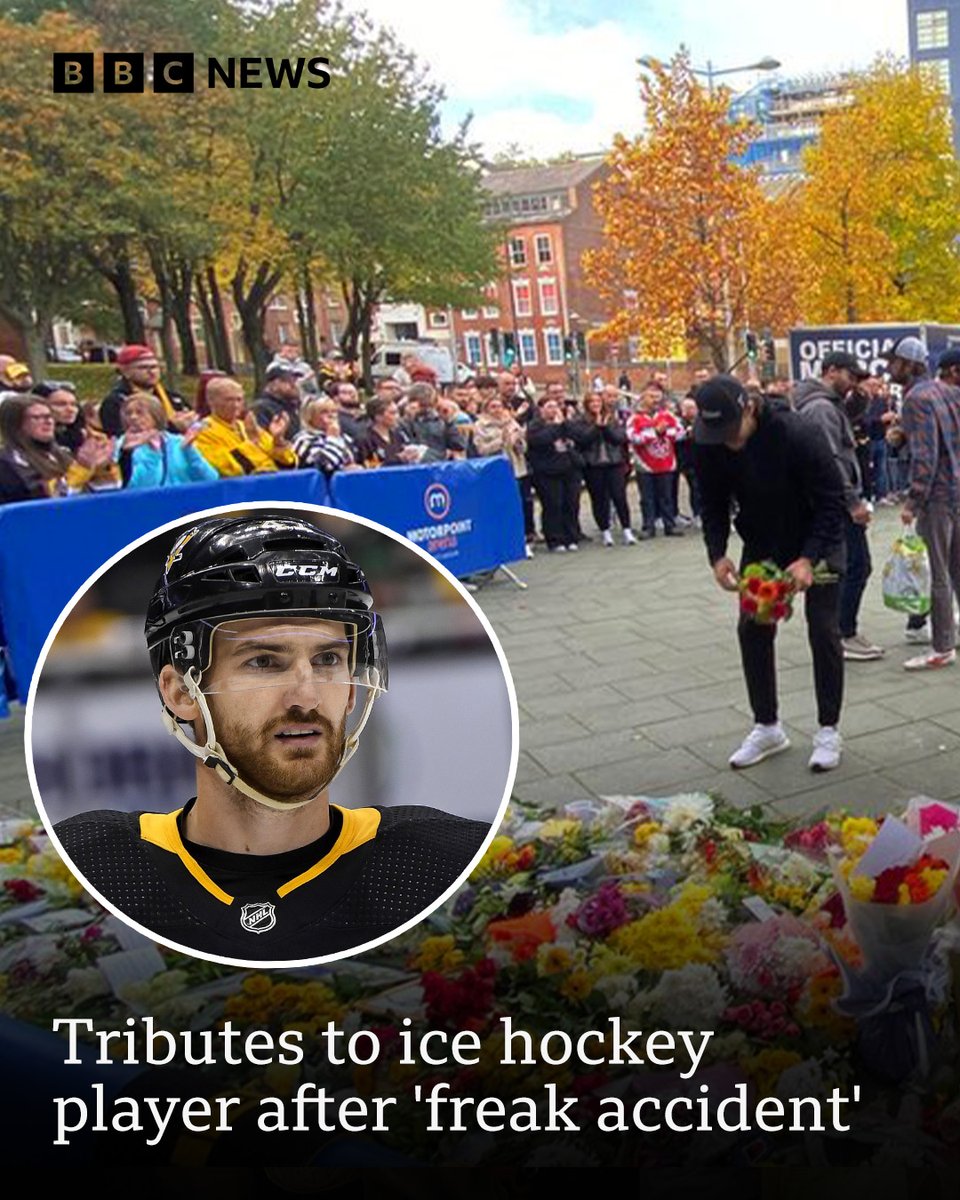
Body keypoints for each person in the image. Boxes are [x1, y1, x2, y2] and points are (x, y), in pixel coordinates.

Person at [53, 515, 490, 959]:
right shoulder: (87, 865)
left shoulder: (446, 858)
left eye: (327, 659)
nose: (308, 697)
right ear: (182, 692)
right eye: (263, 662)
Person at [694, 375, 847, 771]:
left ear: (748, 408)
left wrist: (809, 559)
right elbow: (711, 501)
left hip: (819, 535)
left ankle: (828, 729)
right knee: (753, 627)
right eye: (718, 434)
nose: (728, 442)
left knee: (823, 628)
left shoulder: (798, 433)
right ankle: (767, 726)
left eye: (732, 432)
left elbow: (833, 501)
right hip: (763, 541)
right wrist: (717, 554)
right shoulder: (711, 442)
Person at [793, 350, 883, 662]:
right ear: (832, 371)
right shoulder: (820, 408)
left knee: (852, 565)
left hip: (831, 499)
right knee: (854, 565)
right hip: (835, 501)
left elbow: (848, 420)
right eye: (850, 375)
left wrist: (860, 396)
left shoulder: (825, 403)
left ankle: (843, 630)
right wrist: (852, 501)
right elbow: (830, 459)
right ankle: (843, 632)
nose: (854, 382)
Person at [887, 337, 960, 670]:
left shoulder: (917, 398)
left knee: (939, 573)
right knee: (954, 569)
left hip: (937, 497)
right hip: (954, 489)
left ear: (909, 364)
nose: (889, 367)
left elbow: (926, 455)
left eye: (895, 361)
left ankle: (943, 647)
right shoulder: (943, 391)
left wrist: (913, 501)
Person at [0, 395, 115, 504]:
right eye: (37, 417)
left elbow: (105, 494)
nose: (48, 422)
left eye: (50, 416)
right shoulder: (7, 462)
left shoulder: (64, 453)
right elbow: (43, 499)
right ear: (15, 423)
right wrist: (82, 469)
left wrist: (103, 468)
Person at [192, 376, 296, 477]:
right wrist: (251, 443)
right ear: (211, 401)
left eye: (239, 400)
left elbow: (289, 463)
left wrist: (278, 441)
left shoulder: (246, 426)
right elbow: (227, 469)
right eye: (229, 400)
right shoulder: (202, 431)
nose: (235, 405)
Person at [570, 391, 636, 546]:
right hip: (594, 465)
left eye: (598, 401)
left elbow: (619, 438)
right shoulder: (580, 421)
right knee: (599, 499)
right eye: (592, 402)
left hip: (614, 463)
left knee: (619, 496)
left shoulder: (612, 418)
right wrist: (596, 428)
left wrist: (605, 427)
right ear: (587, 404)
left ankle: (627, 529)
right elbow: (583, 440)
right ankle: (605, 530)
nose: (595, 404)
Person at [115, 393, 219, 489]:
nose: (133, 417)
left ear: (156, 415)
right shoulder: (122, 447)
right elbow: (137, 487)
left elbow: (210, 479)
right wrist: (152, 455)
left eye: (139, 412)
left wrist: (190, 451)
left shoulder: (178, 441)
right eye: (128, 413)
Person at [100, 345, 195, 437]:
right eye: (143, 368)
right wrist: (173, 427)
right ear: (125, 372)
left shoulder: (174, 398)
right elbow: (120, 437)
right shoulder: (115, 402)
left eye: (155, 367)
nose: (151, 372)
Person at [526, 395, 581, 553]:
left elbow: (578, 436)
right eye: (549, 406)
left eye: (556, 406)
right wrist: (556, 427)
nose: (553, 410)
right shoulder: (536, 426)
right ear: (541, 409)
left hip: (569, 468)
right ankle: (555, 539)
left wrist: (565, 423)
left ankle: (571, 536)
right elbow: (539, 441)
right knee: (553, 505)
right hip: (548, 471)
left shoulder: (564, 423)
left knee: (571, 503)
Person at [628, 384, 684, 538]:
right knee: (647, 498)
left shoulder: (668, 416)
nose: (655, 401)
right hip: (645, 466)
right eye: (651, 397)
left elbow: (680, 433)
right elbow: (633, 437)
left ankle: (669, 525)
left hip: (666, 464)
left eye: (658, 397)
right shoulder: (635, 418)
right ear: (643, 397)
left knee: (667, 496)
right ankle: (648, 526)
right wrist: (654, 432)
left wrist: (665, 432)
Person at [292, 396, 359, 477]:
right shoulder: (303, 439)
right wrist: (333, 439)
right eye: (324, 412)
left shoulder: (345, 438)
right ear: (310, 417)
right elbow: (322, 467)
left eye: (334, 411)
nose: (331, 415)